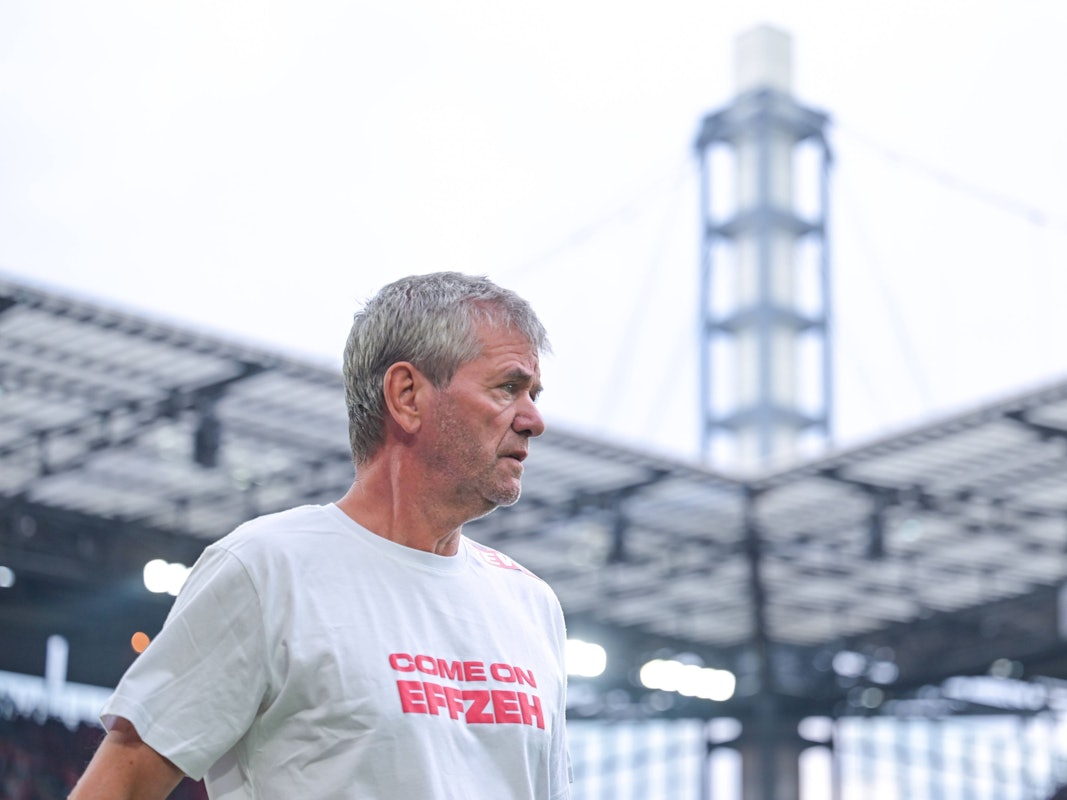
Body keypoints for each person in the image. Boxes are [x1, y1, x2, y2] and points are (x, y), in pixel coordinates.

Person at [69, 272, 571, 799]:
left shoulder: (531, 605)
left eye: (533, 394)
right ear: (407, 395)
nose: (534, 419)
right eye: (508, 388)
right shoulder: (266, 570)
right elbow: (120, 786)